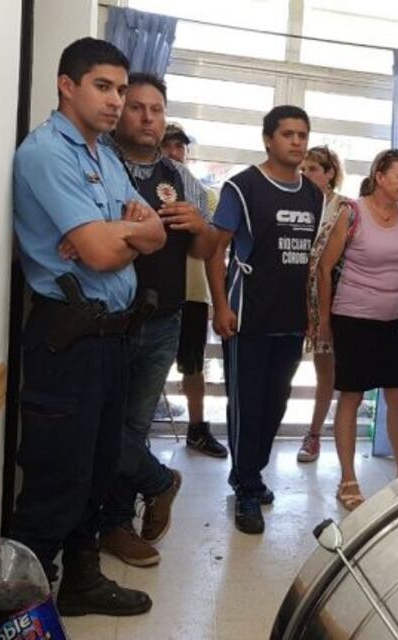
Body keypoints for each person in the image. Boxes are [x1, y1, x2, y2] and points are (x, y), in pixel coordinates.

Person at [10, 38, 166, 616]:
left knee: (98, 477)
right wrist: (117, 235)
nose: (117, 101)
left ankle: (81, 583)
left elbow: (153, 235)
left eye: (122, 90)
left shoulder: (103, 155)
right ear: (66, 85)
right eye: (104, 87)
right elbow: (101, 254)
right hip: (68, 338)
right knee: (57, 483)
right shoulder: (47, 153)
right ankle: (21, 615)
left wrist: (117, 234)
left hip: (113, 336)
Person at [97, 75, 218, 567]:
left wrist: (201, 228)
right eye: (137, 108)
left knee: (133, 425)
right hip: (108, 319)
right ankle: (157, 482)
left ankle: (118, 524)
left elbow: (206, 251)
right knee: (104, 426)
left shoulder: (180, 176)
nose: (148, 118)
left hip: (164, 320)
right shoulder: (100, 161)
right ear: (120, 111)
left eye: (157, 109)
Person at [206, 105, 323, 534]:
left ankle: (251, 471)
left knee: (275, 405)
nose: (296, 142)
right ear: (268, 140)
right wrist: (221, 306)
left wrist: (312, 314)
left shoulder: (314, 194)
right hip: (248, 318)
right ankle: (247, 487)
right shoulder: (243, 187)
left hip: (290, 320)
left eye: (302, 135)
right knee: (248, 407)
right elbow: (215, 249)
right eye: (288, 134)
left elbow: (312, 263)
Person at [316, 149, 398, 509]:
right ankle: (348, 479)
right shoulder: (351, 212)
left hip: (392, 319)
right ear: (380, 175)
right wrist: (325, 321)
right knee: (352, 397)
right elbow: (325, 268)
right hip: (353, 318)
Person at [161, 121, 229, 459]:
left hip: (193, 291)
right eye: (167, 146)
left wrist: (220, 299)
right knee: (150, 362)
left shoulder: (205, 194)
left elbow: (214, 245)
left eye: (179, 147)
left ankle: (197, 429)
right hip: (155, 292)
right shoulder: (144, 188)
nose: (174, 153)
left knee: (193, 364)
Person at [296, 145, 353, 463]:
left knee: (329, 375)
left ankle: (315, 434)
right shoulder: (298, 204)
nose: (306, 175)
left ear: (330, 173)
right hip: (298, 299)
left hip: (335, 300)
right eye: (303, 170)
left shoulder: (344, 208)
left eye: (313, 169)